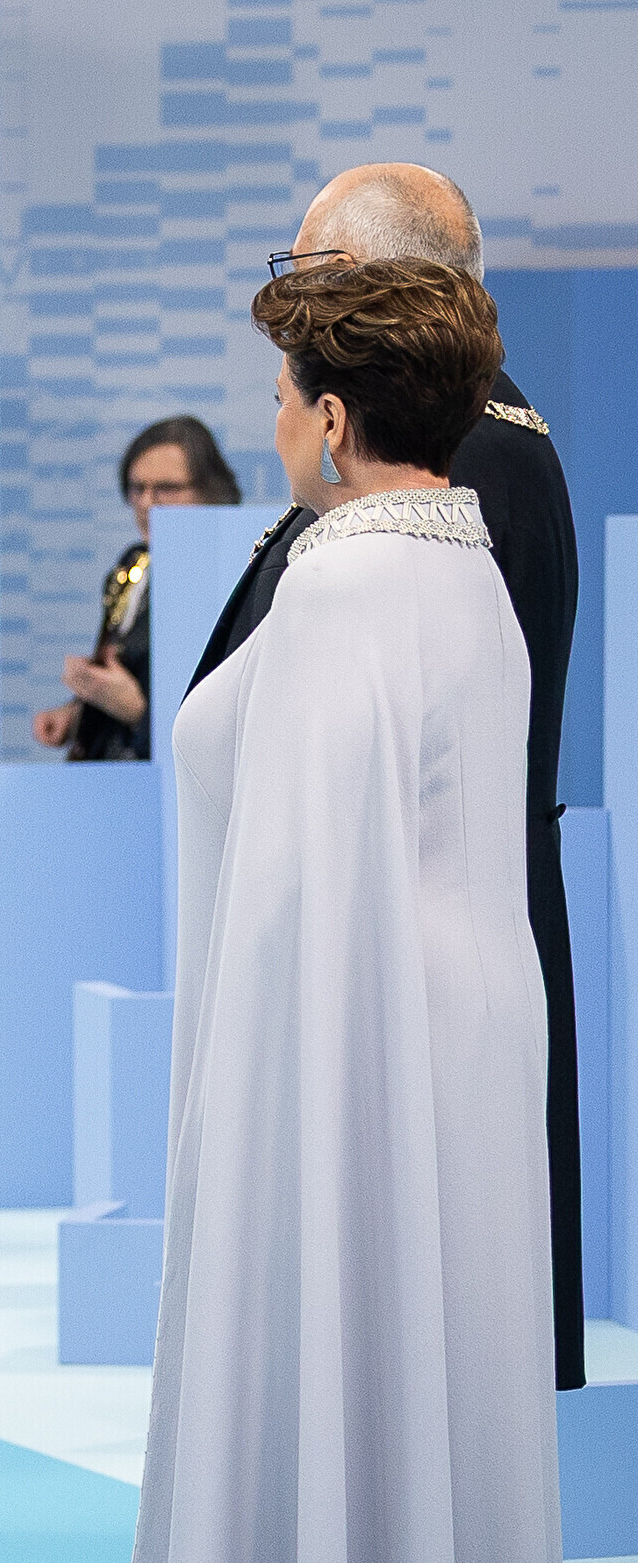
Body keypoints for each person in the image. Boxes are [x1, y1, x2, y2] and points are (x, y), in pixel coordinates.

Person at [90, 258, 578, 1563]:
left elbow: (298, 893)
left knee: (327, 1377)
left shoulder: (346, 583)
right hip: (460, 1037)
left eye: (285, 394)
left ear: (331, 414)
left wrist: (239, 1110)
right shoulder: (465, 568)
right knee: (436, 1399)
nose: (277, 421)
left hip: (342, 1050)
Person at [185, 162, 586, 1389]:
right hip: (381, 957)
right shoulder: (457, 452)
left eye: (308, 269)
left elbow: (407, 759)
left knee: (407, 1352)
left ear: (370, 282)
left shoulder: (465, 462)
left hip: (390, 978)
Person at [32, 416, 240, 761]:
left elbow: (224, 728)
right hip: (117, 771)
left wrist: (136, 713)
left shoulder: (231, 578)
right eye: (137, 488)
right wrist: (78, 713)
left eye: (166, 488)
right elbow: (128, 670)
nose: (147, 503)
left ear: (212, 491)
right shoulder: (134, 563)